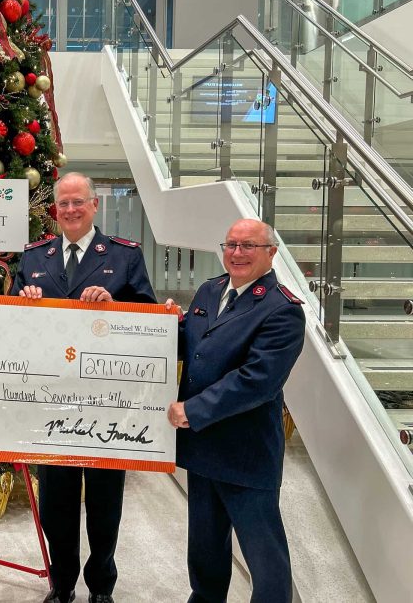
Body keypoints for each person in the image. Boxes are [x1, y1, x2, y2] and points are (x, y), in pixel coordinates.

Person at [11, 172, 157, 603]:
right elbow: (12, 324)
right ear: (54, 210)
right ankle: (61, 584)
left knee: (104, 500)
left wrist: (116, 307)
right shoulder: (34, 256)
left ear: (95, 206)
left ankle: (101, 586)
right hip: (50, 398)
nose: (70, 210)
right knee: (56, 500)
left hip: (105, 400)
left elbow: (150, 319)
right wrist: (23, 303)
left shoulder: (124, 256)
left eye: (78, 202)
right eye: (63, 204)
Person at [168, 218, 306, 603]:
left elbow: (256, 380)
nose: (238, 253)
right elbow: (188, 344)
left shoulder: (283, 310)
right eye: (231, 244)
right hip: (202, 449)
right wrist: (158, 323)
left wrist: (192, 409)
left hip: (246, 456)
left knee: (265, 559)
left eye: (249, 246)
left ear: (271, 253)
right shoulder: (210, 291)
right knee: (206, 550)